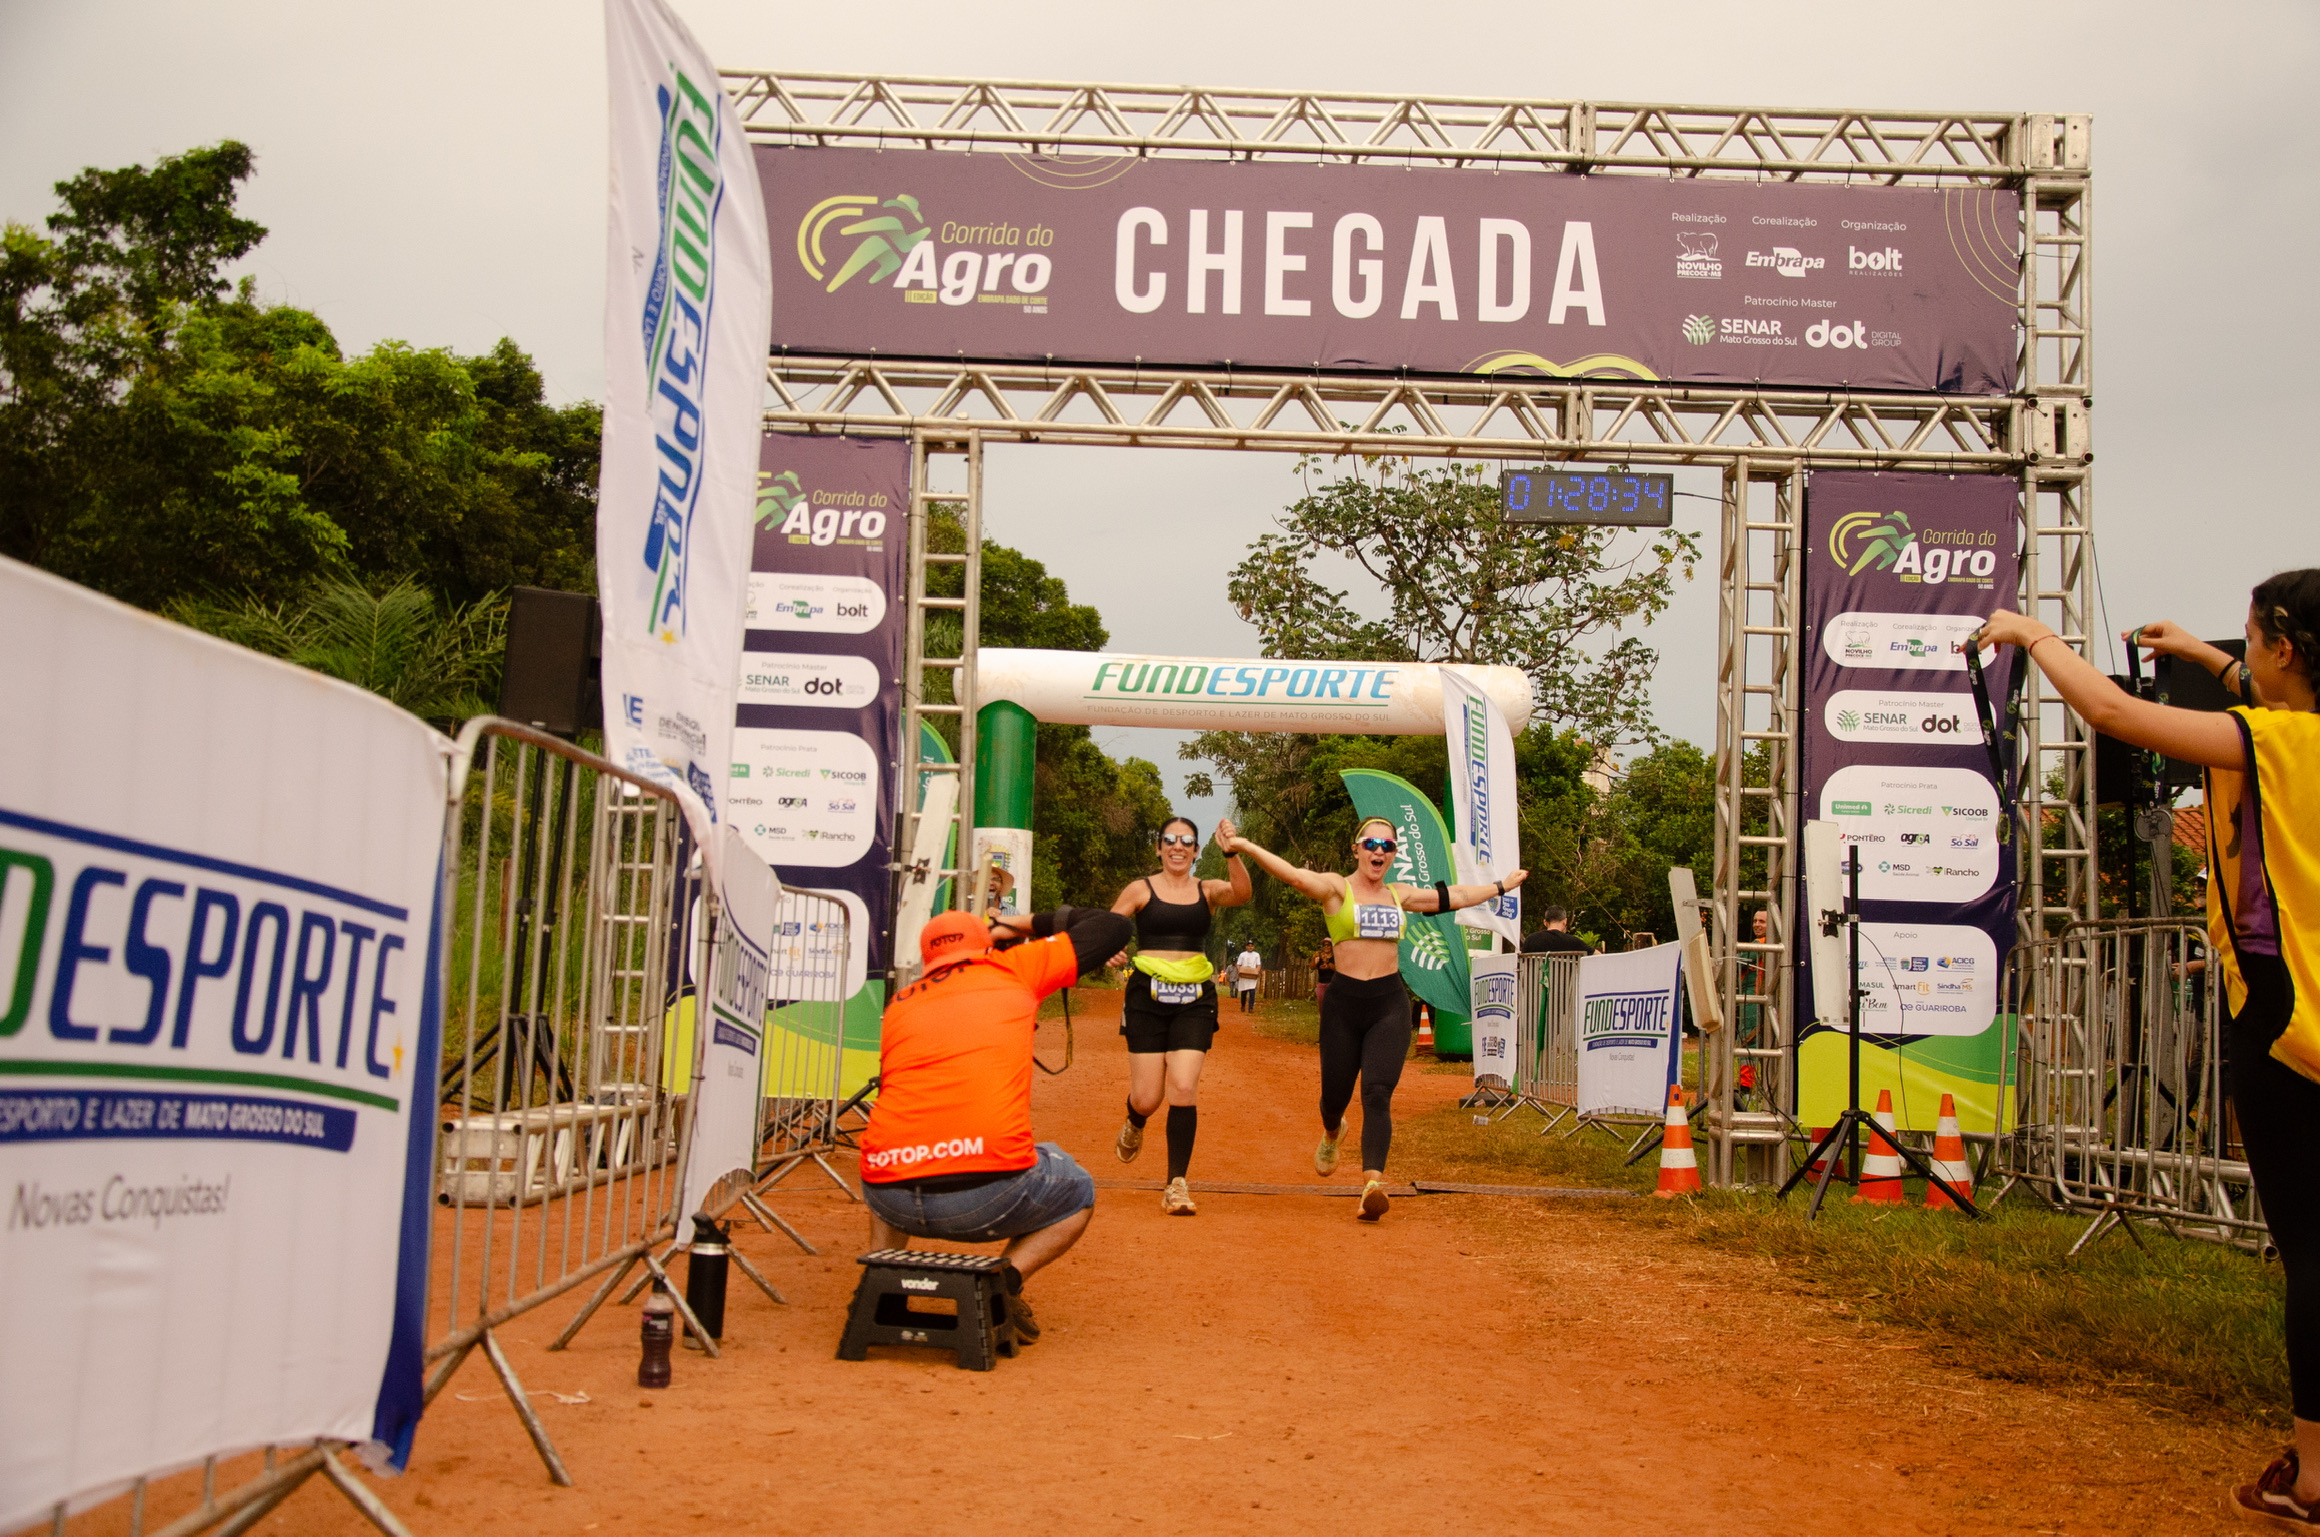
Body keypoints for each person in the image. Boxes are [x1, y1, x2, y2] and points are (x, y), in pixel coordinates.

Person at [1976, 572, 2320, 1526]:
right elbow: (2252, 700)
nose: (2242, 655)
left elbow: (2114, 710)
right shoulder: (2288, 723)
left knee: (2311, 1250)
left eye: (2249, 640)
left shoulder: (2276, 741)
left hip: (2288, 1022)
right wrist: (2205, 659)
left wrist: (2033, 635)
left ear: (2286, 649)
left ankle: (2317, 1476)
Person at [1222, 817, 1526, 1222]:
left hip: (1388, 1004)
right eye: (1371, 843)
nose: (1378, 851)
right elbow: (1295, 876)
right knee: (1334, 1099)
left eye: (1387, 845)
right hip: (1343, 1006)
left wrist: (1501, 886)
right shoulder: (1336, 888)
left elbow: (1453, 895)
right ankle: (1333, 1131)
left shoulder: (1400, 895)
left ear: (1394, 854)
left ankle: (1372, 1185)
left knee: (1378, 1094)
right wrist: (1245, 845)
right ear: (1356, 849)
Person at [859, 904, 1132, 1342]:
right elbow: (1115, 926)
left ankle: (882, 1275)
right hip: (984, 1198)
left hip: (888, 1198)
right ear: (988, 945)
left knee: (897, 1139)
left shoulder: (901, 1003)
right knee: (1075, 1183)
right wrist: (1020, 924)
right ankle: (1003, 1281)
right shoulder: (1013, 969)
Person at [1108, 816, 1253, 1215]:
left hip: (1195, 997)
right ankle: (1135, 1119)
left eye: (1186, 841)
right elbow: (1113, 925)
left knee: (1184, 1088)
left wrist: (1232, 852)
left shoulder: (1206, 890)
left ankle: (1176, 1183)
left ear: (1195, 851)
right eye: (1170, 840)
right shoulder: (1141, 888)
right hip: (1147, 998)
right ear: (1159, 848)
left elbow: (1241, 892)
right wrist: (1110, 948)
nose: (1177, 846)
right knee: (1148, 1096)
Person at [1518, 905, 1590, 956]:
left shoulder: (1530, 940)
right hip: (1564, 978)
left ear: (1545, 922)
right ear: (1565, 921)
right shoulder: (1574, 942)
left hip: (1536, 978)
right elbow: (1597, 956)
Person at [1233, 941, 1263, 1014]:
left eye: (1251, 946)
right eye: (1249, 946)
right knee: (1244, 992)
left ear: (1253, 947)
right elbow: (1238, 964)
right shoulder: (1242, 955)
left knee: (1252, 992)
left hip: (1252, 976)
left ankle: (1251, 1008)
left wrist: (1256, 972)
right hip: (1244, 976)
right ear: (1246, 947)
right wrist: (1240, 971)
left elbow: (1258, 965)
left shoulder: (1256, 955)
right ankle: (1243, 1005)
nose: (1250, 947)